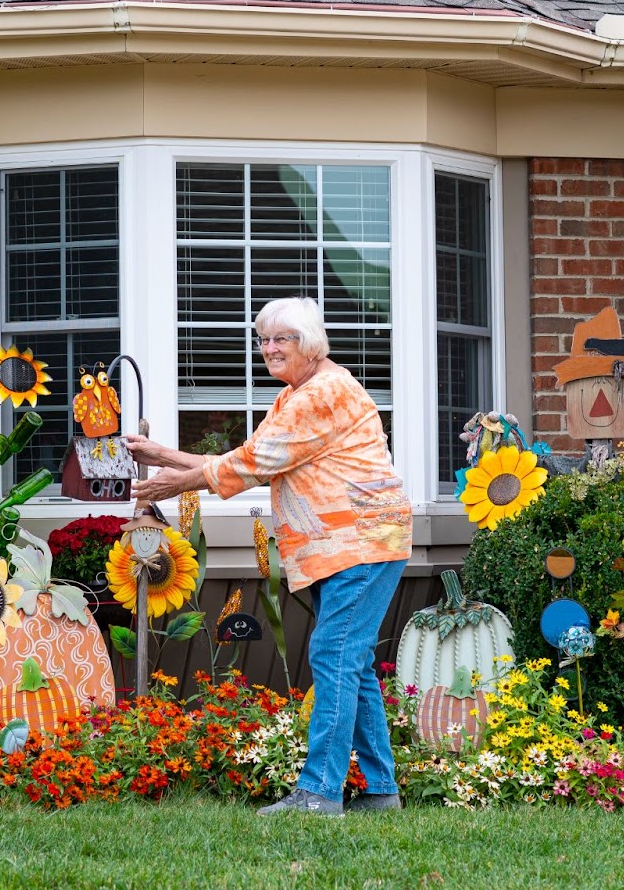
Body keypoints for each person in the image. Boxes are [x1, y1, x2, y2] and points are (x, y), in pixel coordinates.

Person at [128, 296, 412, 816]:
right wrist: (163, 457)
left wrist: (174, 482)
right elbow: (253, 458)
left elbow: (254, 463)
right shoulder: (297, 394)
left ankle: (319, 793)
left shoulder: (320, 394)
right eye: (263, 339)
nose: (270, 348)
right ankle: (381, 791)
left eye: (283, 339)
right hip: (352, 540)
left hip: (362, 540)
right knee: (353, 661)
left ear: (311, 344)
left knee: (334, 654)